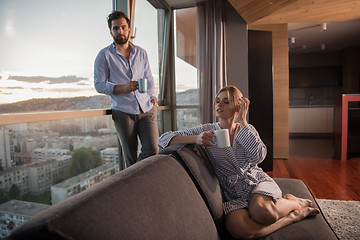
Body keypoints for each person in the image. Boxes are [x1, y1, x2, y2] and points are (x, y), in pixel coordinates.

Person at [158, 85, 319, 239]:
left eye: (226, 101)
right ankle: (292, 217)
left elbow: (259, 156)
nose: (219, 104)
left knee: (263, 212)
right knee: (239, 229)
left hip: (256, 183)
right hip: (233, 194)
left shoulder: (245, 129)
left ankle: (294, 202)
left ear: (238, 107)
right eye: (218, 100)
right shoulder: (207, 130)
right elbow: (163, 139)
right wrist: (196, 139)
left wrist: (243, 121)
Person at [94, 11, 158, 167]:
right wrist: (120, 88)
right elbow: (98, 84)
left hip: (146, 109)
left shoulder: (141, 53)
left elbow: (148, 77)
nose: (120, 31)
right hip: (123, 112)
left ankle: (133, 177)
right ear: (111, 31)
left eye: (123, 27)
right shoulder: (104, 55)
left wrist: (153, 97)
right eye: (116, 28)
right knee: (130, 157)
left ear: (129, 29)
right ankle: (134, 186)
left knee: (153, 149)